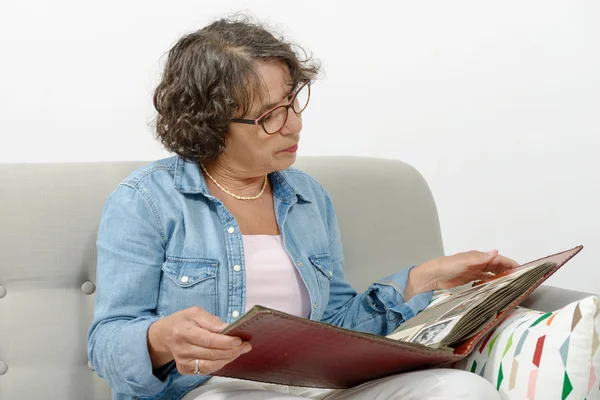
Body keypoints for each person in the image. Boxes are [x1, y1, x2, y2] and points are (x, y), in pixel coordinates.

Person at [88, 15, 518, 400]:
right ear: (212, 123)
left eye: (293, 100)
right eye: (270, 115)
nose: (294, 123)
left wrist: (420, 281)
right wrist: (158, 339)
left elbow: (335, 326)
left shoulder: (309, 197)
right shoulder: (146, 200)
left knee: (462, 389)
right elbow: (106, 343)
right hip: (210, 393)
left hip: (311, 388)